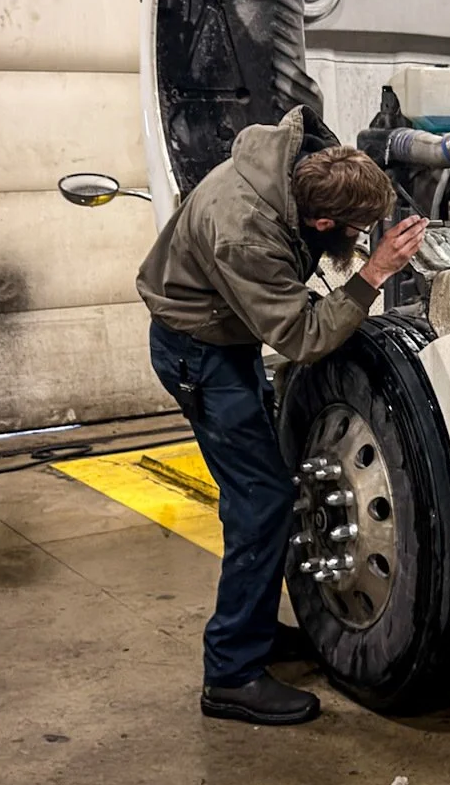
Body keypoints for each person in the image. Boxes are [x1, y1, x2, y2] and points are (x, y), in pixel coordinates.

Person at [137, 106, 427, 727]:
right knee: (261, 501)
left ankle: (255, 631)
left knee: (265, 491)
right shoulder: (243, 230)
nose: (357, 240)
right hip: (200, 353)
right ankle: (231, 674)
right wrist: (374, 274)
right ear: (321, 220)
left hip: (225, 338)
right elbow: (300, 335)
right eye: (352, 231)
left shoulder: (290, 165)